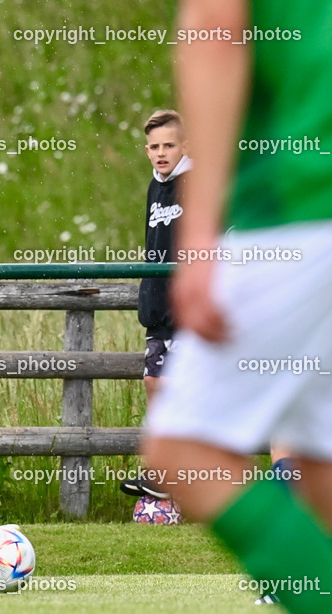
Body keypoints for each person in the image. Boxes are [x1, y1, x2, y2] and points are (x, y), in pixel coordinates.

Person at [144, 0, 332, 614]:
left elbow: (216, 27)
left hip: (299, 200)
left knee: (183, 448)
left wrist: (198, 242)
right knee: (321, 471)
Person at [120, 110, 191, 502]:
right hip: (159, 307)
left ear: (186, 146)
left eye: (170, 145)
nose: (162, 153)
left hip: (187, 308)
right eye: (155, 146)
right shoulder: (156, 185)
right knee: (154, 383)